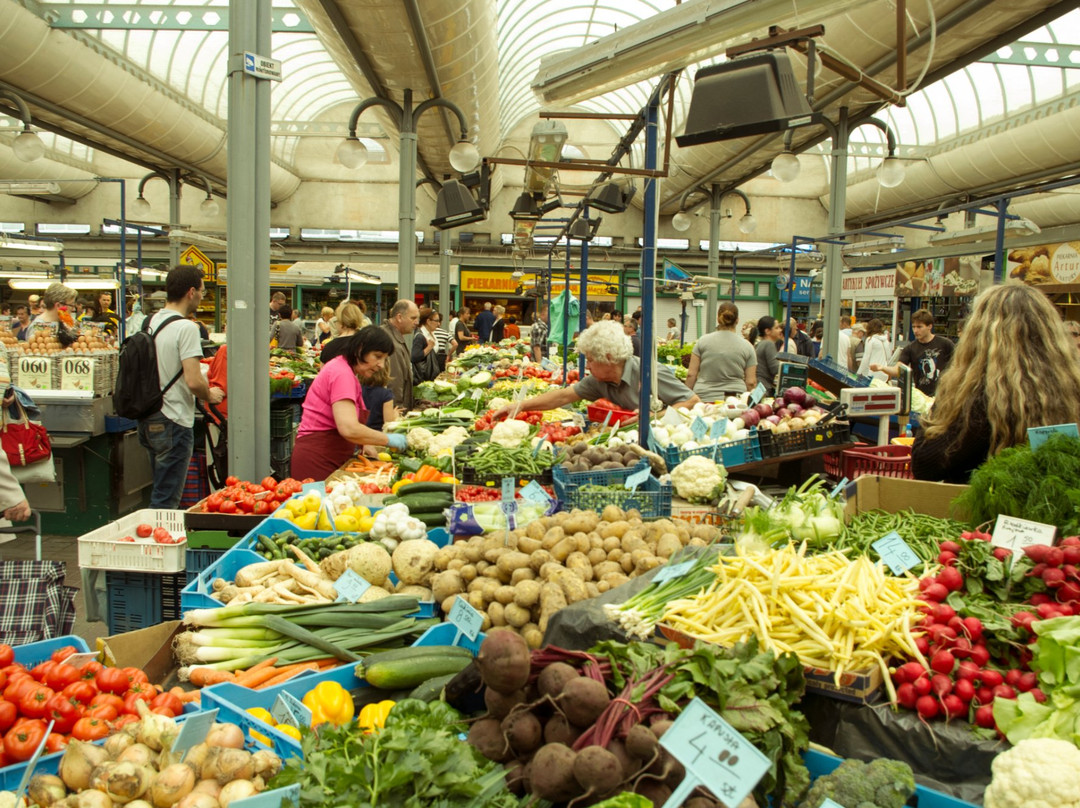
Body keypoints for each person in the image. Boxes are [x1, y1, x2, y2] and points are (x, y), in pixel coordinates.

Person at [912, 283, 1080, 484]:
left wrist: (939, 409)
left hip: (983, 508)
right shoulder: (1071, 387)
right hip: (1048, 507)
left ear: (979, 335)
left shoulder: (980, 396)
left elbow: (925, 464)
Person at [491, 320, 698, 420]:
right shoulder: (599, 381)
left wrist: (654, 416)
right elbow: (562, 397)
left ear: (608, 358)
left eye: (590, 360)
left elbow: (692, 401)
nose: (587, 366)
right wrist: (519, 406)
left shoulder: (649, 372)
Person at [138, 266, 223, 508]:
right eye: (203, 292)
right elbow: (194, 381)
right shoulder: (186, 328)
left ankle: (155, 536)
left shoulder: (149, 321)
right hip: (173, 419)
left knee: (159, 487)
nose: (202, 297)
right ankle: (161, 542)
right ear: (191, 292)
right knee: (166, 499)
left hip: (148, 417)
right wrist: (211, 394)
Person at [291, 328, 406, 481]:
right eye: (377, 357)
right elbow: (349, 428)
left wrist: (366, 443)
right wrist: (387, 439)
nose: (381, 365)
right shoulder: (342, 374)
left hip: (329, 455)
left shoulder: (345, 370)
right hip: (318, 458)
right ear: (360, 349)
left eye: (384, 359)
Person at [871, 309, 955, 397]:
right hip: (923, 397)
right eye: (913, 327)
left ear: (929, 326)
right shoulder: (910, 348)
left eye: (919, 327)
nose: (915, 330)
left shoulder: (945, 344)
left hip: (944, 395)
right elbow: (898, 370)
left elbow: (959, 364)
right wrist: (881, 368)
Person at [686, 302, 757, 401]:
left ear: (718, 319)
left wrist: (687, 398)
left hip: (704, 398)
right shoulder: (748, 346)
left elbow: (691, 374)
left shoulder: (702, 341)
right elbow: (751, 382)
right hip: (734, 400)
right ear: (737, 320)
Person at [382, 299, 419, 411]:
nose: (416, 322)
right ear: (399, 317)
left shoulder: (394, 336)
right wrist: (398, 410)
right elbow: (394, 381)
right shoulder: (389, 340)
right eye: (413, 318)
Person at [361, 364, 397, 434]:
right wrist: (395, 415)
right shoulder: (386, 394)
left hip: (361, 434)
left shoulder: (357, 389)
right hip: (377, 436)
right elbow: (388, 424)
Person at [411, 307, 442, 384]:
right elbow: (414, 357)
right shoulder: (420, 336)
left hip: (430, 376)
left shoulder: (431, 333)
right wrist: (429, 347)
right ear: (428, 321)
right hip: (423, 379)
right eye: (436, 321)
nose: (438, 324)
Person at [755, 316, 783, 395]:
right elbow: (775, 368)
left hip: (759, 386)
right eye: (777, 328)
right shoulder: (769, 344)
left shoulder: (760, 344)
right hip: (764, 387)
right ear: (767, 331)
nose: (780, 330)